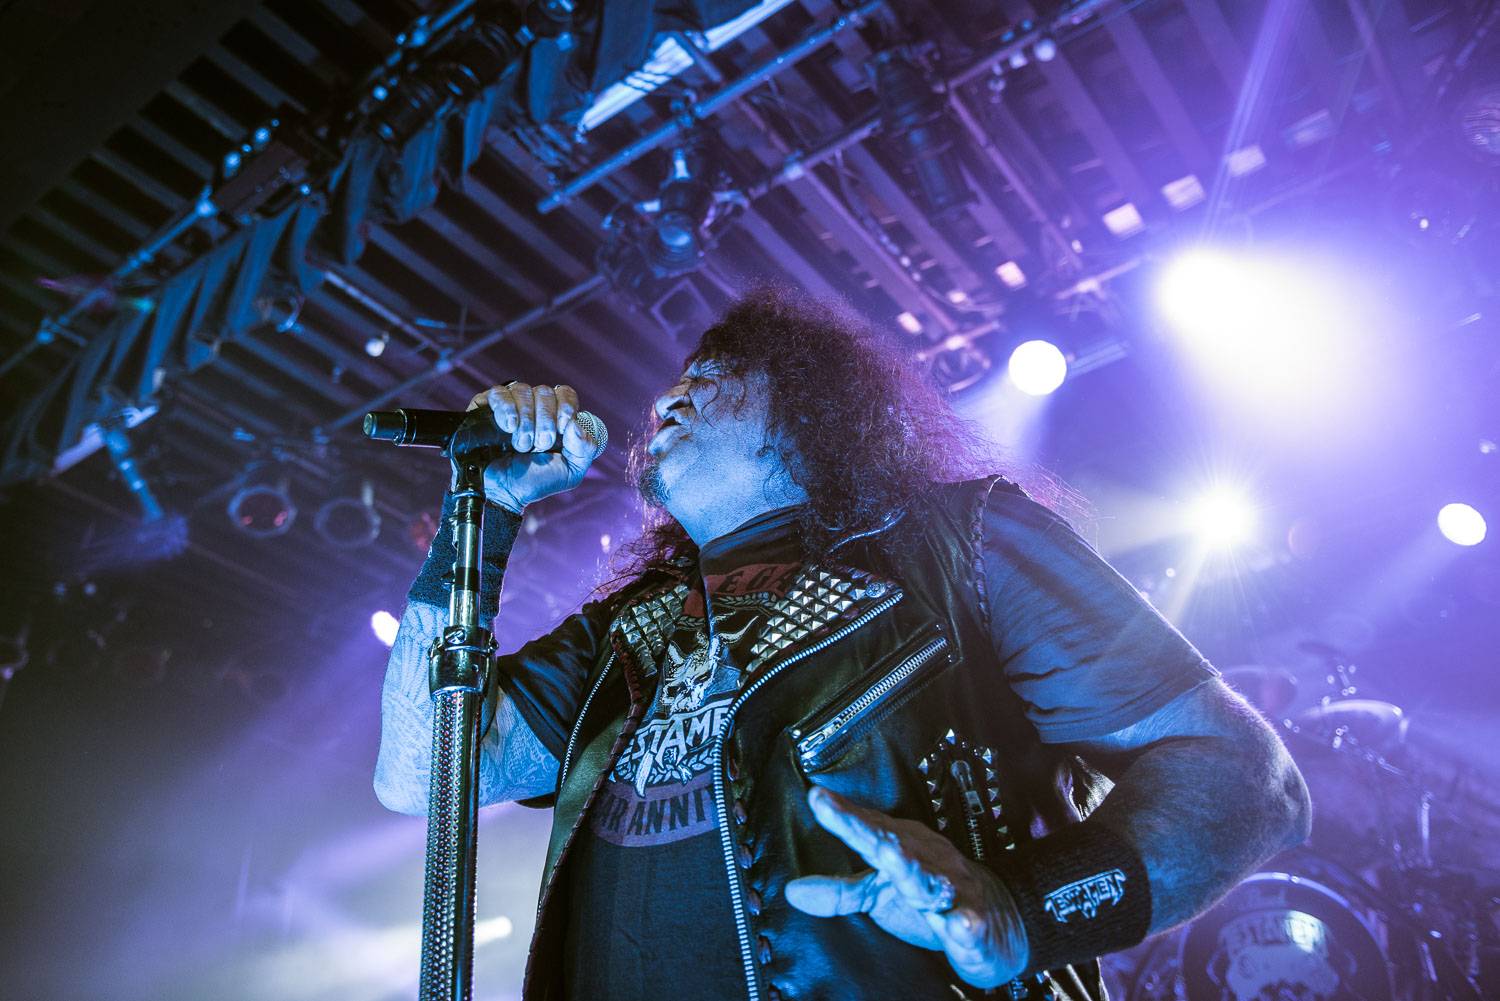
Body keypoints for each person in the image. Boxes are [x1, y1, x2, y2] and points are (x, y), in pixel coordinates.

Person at [374, 287, 1311, 1001]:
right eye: (676, 379)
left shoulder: (960, 543)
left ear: (813, 406)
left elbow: (1246, 778)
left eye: (714, 371)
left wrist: (1022, 909)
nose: (672, 394)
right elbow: (420, 770)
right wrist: (486, 510)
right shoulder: (627, 627)